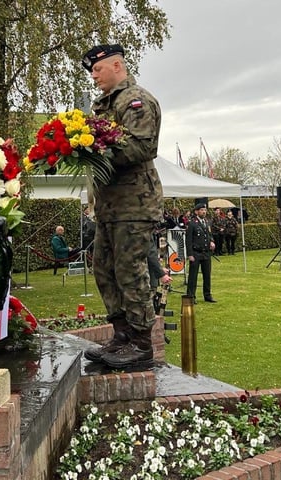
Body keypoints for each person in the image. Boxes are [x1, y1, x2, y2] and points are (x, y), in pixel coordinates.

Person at [80, 44, 163, 370]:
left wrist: (92, 151)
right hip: (110, 205)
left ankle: (142, 344)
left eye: (98, 69)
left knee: (130, 271)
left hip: (135, 202)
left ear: (117, 65)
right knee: (103, 268)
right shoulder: (104, 105)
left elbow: (143, 146)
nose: (94, 75)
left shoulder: (136, 101)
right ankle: (122, 335)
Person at [186, 203, 216, 303]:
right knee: (193, 276)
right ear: (196, 211)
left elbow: (209, 234)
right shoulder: (192, 223)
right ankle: (191, 296)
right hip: (196, 253)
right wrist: (190, 254)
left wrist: (211, 241)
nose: (204, 211)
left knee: (207, 275)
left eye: (205, 210)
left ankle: (207, 295)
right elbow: (188, 240)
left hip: (206, 253)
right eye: (202, 210)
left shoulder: (206, 222)